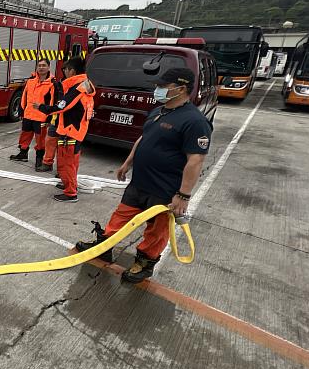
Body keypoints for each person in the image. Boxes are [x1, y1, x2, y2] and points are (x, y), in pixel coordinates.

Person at [74, 67, 212, 283]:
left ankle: (145, 262)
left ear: (181, 89)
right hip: (140, 182)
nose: (157, 90)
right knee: (120, 216)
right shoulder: (159, 111)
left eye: (163, 86)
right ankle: (104, 246)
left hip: (165, 189)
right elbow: (143, 138)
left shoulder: (194, 121)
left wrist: (183, 195)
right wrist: (127, 162)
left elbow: (196, 160)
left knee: (156, 230)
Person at [35, 57, 95, 203]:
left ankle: (70, 193)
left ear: (72, 71)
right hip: (76, 131)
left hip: (70, 132)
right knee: (71, 162)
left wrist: (41, 107)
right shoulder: (86, 85)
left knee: (67, 163)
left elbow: (62, 106)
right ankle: (68, 184)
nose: (65, 73)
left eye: (66, 70)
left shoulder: (77, 89)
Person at [10, 59, 57, 167]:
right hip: (28, 114)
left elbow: (53, 101)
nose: (41, 67)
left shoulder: (52, 83)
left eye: (44, 65)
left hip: (41, 117)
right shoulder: (31, 80)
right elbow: (24, 96)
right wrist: (22, 110)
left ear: (49, 67)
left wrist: (49, 116)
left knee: (40, 139)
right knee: (25, 135)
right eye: (39, 65)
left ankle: (39, 158)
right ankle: (23, 154)